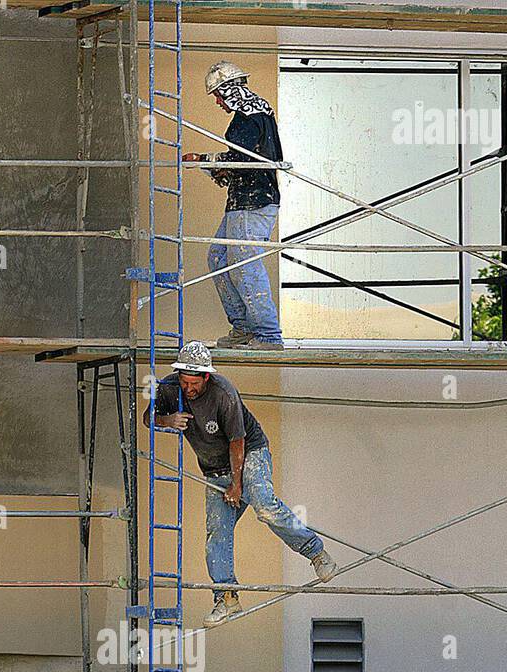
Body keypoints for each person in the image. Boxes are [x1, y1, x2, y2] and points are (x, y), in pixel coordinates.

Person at [144, 340, 336, 626]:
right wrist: (167, 420)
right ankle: (227, 598)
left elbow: (238, 442)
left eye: (194, 383)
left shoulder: (224, 394)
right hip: (213, 468)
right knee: (216, 534)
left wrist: (237, 485)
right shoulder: (170, 388)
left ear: (206, 377)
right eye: (185, 382)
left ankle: (316, 553)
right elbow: (148, 418)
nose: (188, 389)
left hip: (249, 454)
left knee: (265, 506)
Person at [182, 62, 285, 348]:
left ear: (229, 90)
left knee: (245, 264)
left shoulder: (249, 116)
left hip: (254, 202)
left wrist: (205, 160)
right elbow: (242, 162)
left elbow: (242, 161)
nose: (217, 101)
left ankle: (267, 334)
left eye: (217, 94)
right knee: (219, 258)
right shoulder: (252, 113)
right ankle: (243, 327)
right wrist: (211, 165)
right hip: (243, 200)